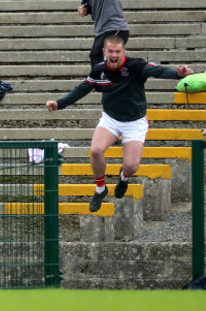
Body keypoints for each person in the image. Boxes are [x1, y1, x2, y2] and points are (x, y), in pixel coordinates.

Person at [46, 35, 193, 212]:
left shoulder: (134, 65)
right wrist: (59, 104)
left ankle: (123, 178)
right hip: (111, 118)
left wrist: (177, 74)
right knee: (95, 150)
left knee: (131, 166)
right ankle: (100, 189)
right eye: (110, 51)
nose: (114, 55)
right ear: (104, 52)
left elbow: (156, 70)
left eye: (117, 51)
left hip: (134, 121)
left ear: (123, 51)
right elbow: (82, 89)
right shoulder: (99, 70)